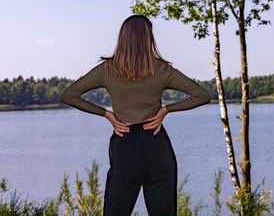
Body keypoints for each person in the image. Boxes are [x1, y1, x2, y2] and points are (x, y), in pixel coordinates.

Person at [59, 14, 212, 216]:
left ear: (123, 37)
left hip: (124, 143)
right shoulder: (162, 70)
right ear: (148, 37)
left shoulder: (107, 69)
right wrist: (165, 110)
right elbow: (202, 95)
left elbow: (68, 95)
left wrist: (107, 114)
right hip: (156, 144)